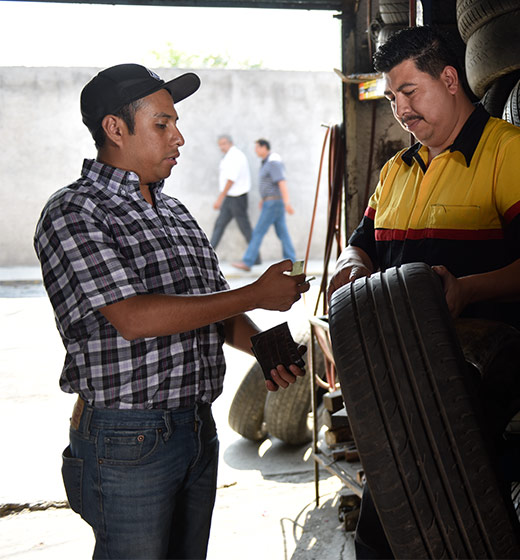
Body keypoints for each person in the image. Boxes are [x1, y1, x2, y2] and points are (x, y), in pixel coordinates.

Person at [33, 63, 311, 559]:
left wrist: (267, 348)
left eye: (175, 123)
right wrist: (255, 293)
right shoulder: (75, 212)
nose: (179, 137)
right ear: (114, 129)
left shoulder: (174, 212)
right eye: (162, 124)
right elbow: (133, 317)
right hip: (127, 437)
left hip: (196, 426)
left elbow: (211, 308)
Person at [325, 26, 520, 559]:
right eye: (392, 98)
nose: (400, 110)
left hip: (486, 369)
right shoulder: (396, 170)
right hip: (402, 370)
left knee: (403, 524)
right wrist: (349, 268)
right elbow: (361, 245)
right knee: (393, 516)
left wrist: (465, 290)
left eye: (410, 92)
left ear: (450, 78)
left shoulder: (512, 152)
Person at [231, 139, 297, 271]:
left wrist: (287, 202)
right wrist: (264, 199)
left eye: (257, 148)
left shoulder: (273, 161)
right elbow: (270, 184)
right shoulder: (267, 162)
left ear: (264, 147)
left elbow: (281, 182)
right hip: (271, 201)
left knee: (258, 232)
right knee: (282, 232)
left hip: (273, 203)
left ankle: (248, 261)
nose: (255, 151)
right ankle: (293, 263)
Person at [211, 134, 256, 256]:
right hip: (231, 197)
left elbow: (231, 179)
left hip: (237, 197)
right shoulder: (229, 156)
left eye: (223, 144)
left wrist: (219, 199)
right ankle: (209, 253)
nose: (221, 147)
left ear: (230, 143)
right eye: (220, 144)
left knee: (244, 227)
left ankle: (254, 257)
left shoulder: (235, 156)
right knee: (220, 224)